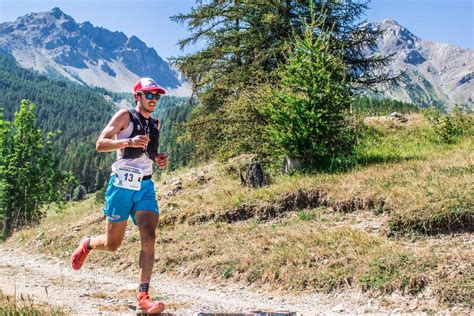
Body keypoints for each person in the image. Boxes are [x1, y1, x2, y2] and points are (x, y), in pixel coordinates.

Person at [70, 77, 168, 314]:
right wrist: (128, 140)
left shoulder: (155, 124)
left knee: (150, 238)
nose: (154, 99)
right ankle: (88, 244)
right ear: (138, 96)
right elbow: (100, 143)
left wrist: (157, 158)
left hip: (144, 187)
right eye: (149, 95)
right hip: (121, 185)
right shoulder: (125, 116)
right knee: (113, 244)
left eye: (157, 96)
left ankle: (143, 297)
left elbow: (147, 152)